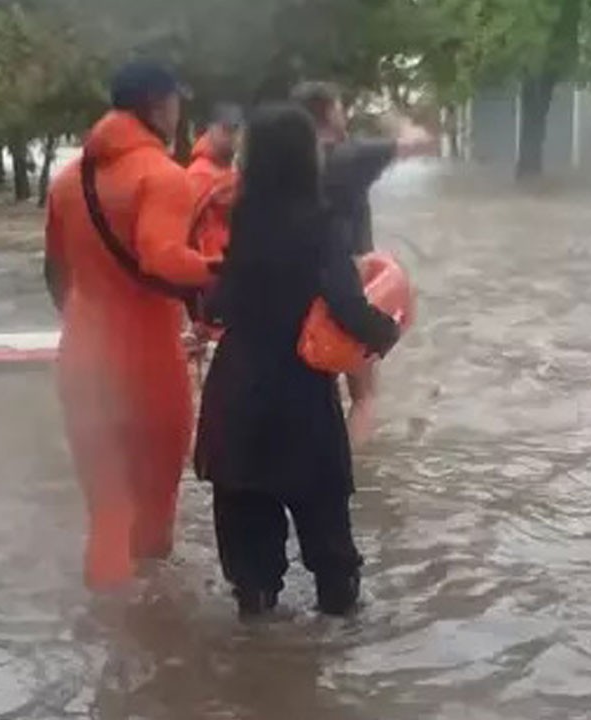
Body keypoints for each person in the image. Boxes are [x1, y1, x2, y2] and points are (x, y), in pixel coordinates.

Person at [194, 103, 400, 618]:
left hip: (237, 394)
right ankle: (332, 666)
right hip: (300, 396)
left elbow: (216, 303)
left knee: (251, 572)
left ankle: (255, 666)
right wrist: (387, 330)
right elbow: (347, 304)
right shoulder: (321, 223)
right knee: (331, 552)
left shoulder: (239, 221)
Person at [44, 61, 219, 592]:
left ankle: (105, 641)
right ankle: (153, 645)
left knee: (108, 513)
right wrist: (229, 269)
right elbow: (162, 258)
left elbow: (54, 273)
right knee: (154, 515)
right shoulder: (163, 176)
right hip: (147, 367)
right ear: (158, 104)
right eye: (175, 101)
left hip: (81, 360)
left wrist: (90, 317)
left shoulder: (69, 178)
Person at [289, 81, 434, 447]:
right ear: (328, 112)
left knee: (315, 387)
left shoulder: (287, 162)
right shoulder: (350, 157)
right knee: (364, 395)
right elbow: (421, 142)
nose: (345, 113)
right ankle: (351, 478)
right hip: (348, 279)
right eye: (339, 106)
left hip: (297, 281)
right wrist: (396, 116)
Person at [186, 104, 243, 259]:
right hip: (207, 268)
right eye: (226, 128)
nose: (233, 135)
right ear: (209, 130)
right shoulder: (198, 174)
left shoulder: (235, 171)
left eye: (237, 129)